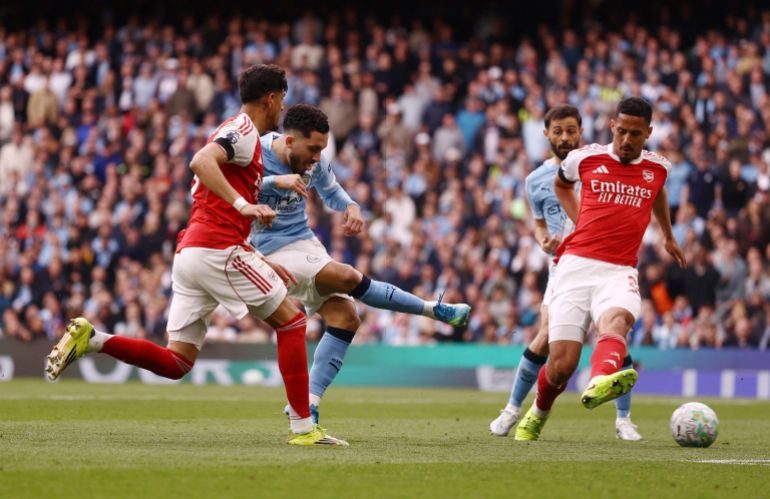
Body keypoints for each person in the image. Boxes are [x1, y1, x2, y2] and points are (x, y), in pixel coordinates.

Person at [44, 64, 347, 446]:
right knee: (292, 322)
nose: (283, 108)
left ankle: (93, 338)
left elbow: (209, 200)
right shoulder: (243, 131)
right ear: (271, 98)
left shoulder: (239, 137)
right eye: (282, 99)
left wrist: (260, 256)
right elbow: (200, 162)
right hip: (218, 250)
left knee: (177, 362)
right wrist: (244, 205)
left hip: (194, 253)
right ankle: (304, 428)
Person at [252, 103, 471, 422]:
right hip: (269, 251)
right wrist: (275, 183)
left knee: (346, 317)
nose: (317, 157)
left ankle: (307, 405)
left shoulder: (313, 161)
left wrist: (351, 206)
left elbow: (331, 190)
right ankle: (431, 309)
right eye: (313, 149)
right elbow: (229, 190)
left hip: (304, 242)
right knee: (346, 275)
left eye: (321, 150)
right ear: (289, 141)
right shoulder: (253, 153)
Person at [514, 97, 687, 440]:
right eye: (621, 131)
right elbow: (561, 184)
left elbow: (658, 192)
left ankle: (598, 381)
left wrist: (668, 235)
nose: (626, 140)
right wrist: (580, 219)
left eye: (635, 134)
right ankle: (538, 411)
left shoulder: (658, 167)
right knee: (561, 367)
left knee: (616, 322)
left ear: (648, 133)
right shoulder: (585, 157)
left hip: (620, 270)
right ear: (612, 127)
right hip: (576, 266)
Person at [489, 104, 642, 441]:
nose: (565, 138)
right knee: (546, 337)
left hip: (604, 262)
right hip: (562, 266)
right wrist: (543, 241)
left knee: (613, 332)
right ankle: (512, 410)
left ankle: (624, 419)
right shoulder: (535, 181)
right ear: (546, 134)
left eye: (571, 131)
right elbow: (539, 224)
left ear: (581, 132)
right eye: (558, 132)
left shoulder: (597, 164)